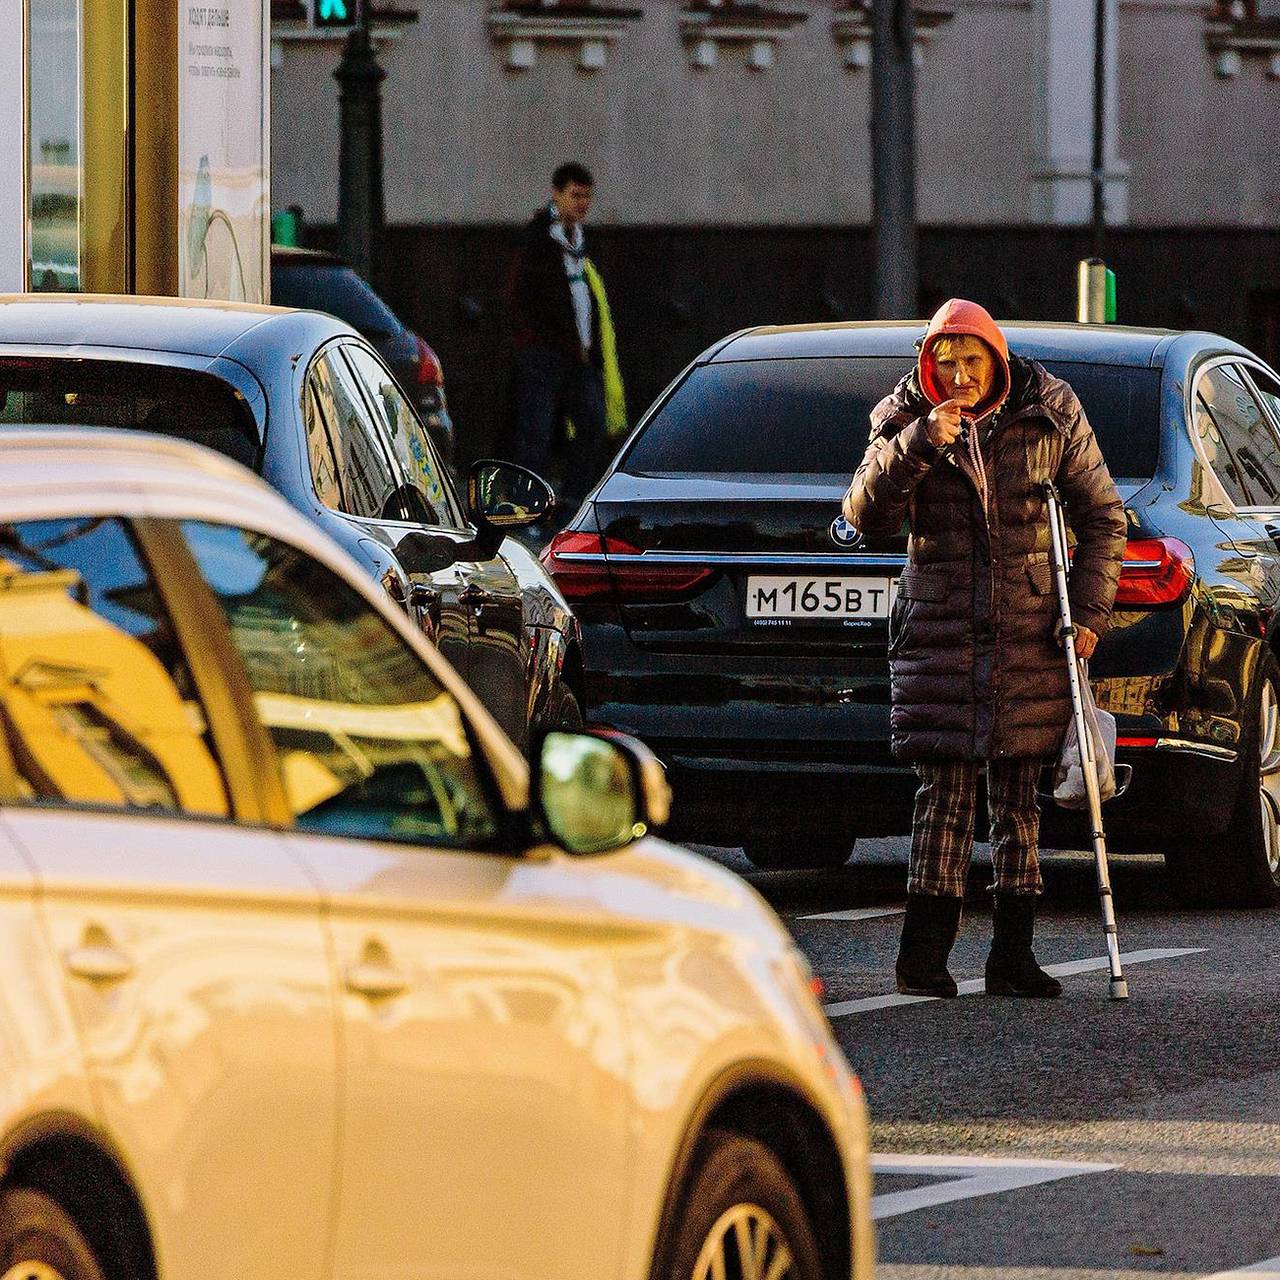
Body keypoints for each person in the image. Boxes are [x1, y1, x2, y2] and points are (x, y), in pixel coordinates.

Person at [843, 298, 1126, 999]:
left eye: (972, 361)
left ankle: (1013, 956)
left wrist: (1089, 610)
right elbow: (866, 513)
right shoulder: (902, 415)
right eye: (947, 363)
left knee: (1018, 793)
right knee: (943, 791)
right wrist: (919, 442)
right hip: (940, 623)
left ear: (996, 359)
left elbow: (1102, 515)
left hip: (1027, 623)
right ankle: (923, 957)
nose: (960, 375)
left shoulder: (1049, 407)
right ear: (928, 365)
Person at [508, 162, 626, 510]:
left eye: (587, 197)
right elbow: (519, 297)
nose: (582, 204)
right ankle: (528, 508)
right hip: (545, 353)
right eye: (575, 195)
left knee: (592, 425)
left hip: (579, 354)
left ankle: (572, 501)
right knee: (536, 434)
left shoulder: (580, 241)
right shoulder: (537, 240)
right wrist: (536, 341)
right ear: (556, 194)